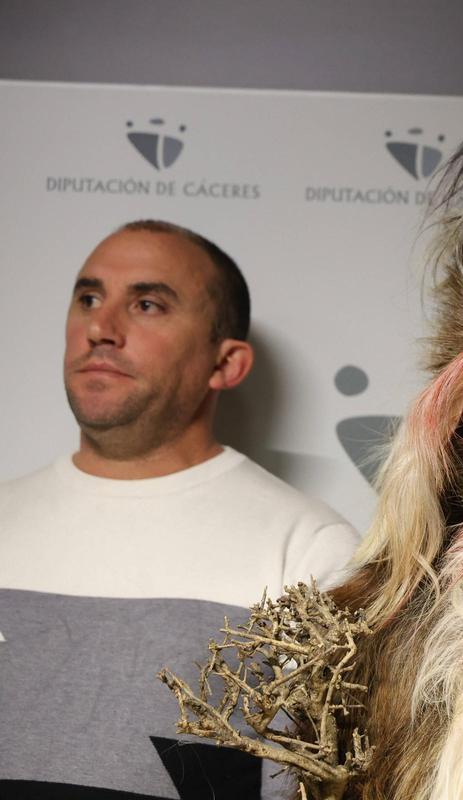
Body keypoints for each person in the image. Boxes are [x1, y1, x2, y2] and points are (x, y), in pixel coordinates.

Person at [0, 220, 360, 799]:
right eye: (89, 298)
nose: (100, 328)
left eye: (147, 305)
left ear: (226, 364)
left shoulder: (310, 550)